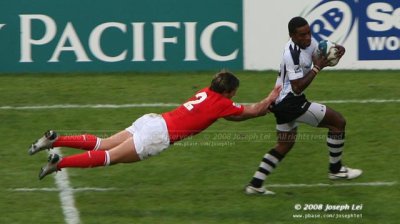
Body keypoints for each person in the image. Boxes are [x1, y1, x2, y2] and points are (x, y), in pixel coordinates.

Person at [29, 71, 282, 180]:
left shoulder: (207, 93)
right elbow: (252, 111)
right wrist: (273, 96)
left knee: (103, 143)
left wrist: (254, 111)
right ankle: (59, 163)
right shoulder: (221, 104)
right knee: (108, 157)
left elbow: (234, 116)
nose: (234, 97)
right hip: (159, 135)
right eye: (234, 93)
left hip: (152, 120)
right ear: (228, 92)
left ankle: (55, 139)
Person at [245, 16, 362, 195]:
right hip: (290, 102)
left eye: (309, 32)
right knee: (337, 122)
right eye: (302, 35)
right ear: (292, 35)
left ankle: (255, 184)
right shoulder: (291, 54)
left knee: (284, 144)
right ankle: (336, 170)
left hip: (280, 101)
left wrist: (337, 51)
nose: (307, 38)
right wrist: (317, 68)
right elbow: (297, 87)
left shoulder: (309, 42)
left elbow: (321, 57)